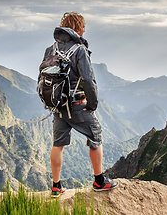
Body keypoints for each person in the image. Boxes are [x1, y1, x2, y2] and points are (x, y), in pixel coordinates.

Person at [41, 12, 118, 197]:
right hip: (77, 105)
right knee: (96, 135)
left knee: (58, 144)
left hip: (58, 105)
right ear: (78, 29)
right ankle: (99, 181)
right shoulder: (79, 50)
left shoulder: (50, 49)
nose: (84, 31)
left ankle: (56, 186)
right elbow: (88, 80)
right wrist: (92, 104)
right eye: (83, 28)